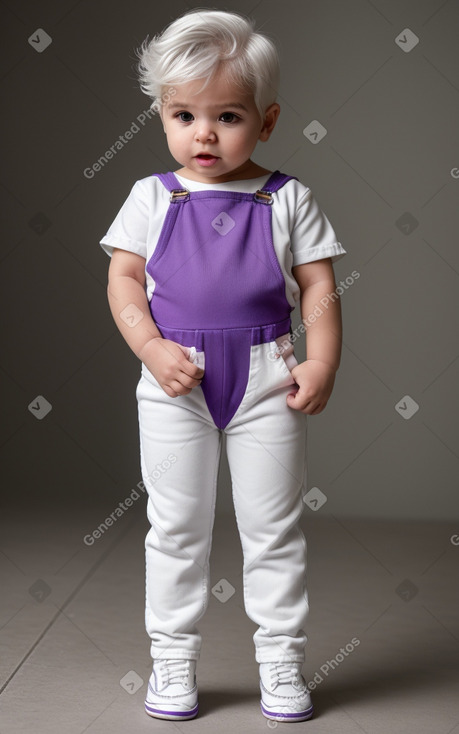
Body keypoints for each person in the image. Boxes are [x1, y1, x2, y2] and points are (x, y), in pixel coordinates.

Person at [99, 8, 346, 723]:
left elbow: (319, 288)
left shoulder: (287, 198)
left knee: (273, 527)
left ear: (265, 121)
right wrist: (149, 346)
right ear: (163, 117)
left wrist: (321, 359)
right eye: (183, 114)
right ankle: (172, 658)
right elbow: (121, 282)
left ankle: (281, 660)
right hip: (176, 381)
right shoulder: (153, 197)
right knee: (175, 527)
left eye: (227, 115)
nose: (203, 133)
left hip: (267, 376)